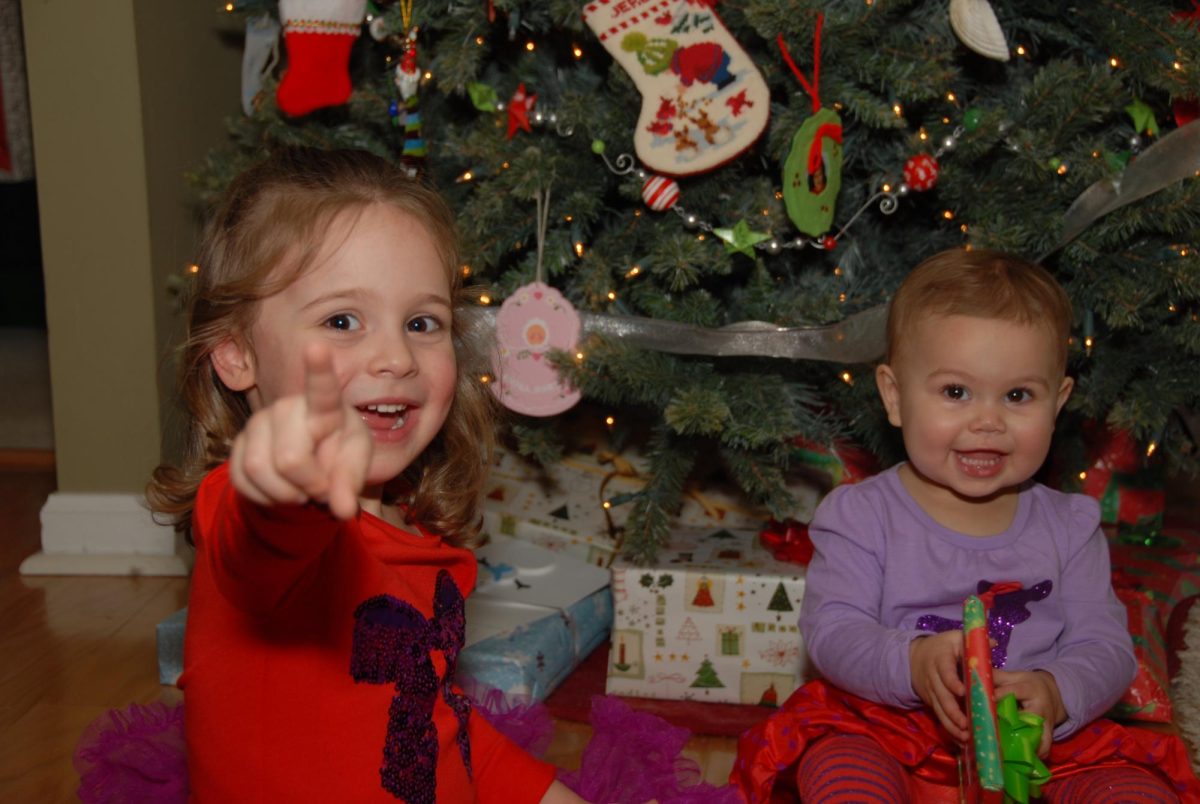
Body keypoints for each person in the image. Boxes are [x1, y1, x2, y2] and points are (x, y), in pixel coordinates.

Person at [147, 147, 585, 803]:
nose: (396, 356)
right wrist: (292, 481)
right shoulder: (254, 512)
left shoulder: (411, 532)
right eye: (342, 321)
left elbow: (437, 727)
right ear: (236, 355)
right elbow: (265, 533)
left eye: (421, 323)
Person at [730, 249, 1199, 802]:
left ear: (1057, 404)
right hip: (888, 728)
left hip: (1039, 744)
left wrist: (1057, 691)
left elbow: (1107, 647)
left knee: (1133, 788)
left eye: (1018, 395)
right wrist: (910, 662)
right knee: (839, 764)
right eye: (956, 392)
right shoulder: (861, 516)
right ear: (895, 396)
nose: (988, 421)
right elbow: (833, 633)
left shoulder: (1069, 527)